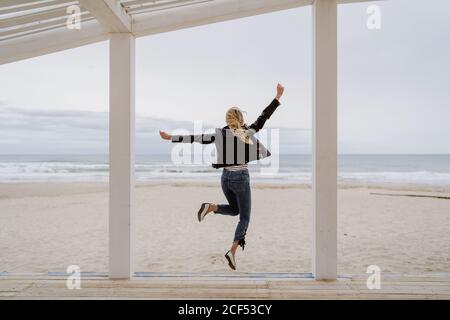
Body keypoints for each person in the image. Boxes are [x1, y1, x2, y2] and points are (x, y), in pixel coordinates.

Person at [159, 83, 285, 270]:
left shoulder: (218, 134)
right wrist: (277, 97)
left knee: (234, 210)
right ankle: (232, 251)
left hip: (225, 179)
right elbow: (264, 116)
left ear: (227, 119)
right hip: (241, 178)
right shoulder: (247, 132)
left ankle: (211, 207)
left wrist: (171, 137)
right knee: (244, 218)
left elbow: (195, 137)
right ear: (241, 119)